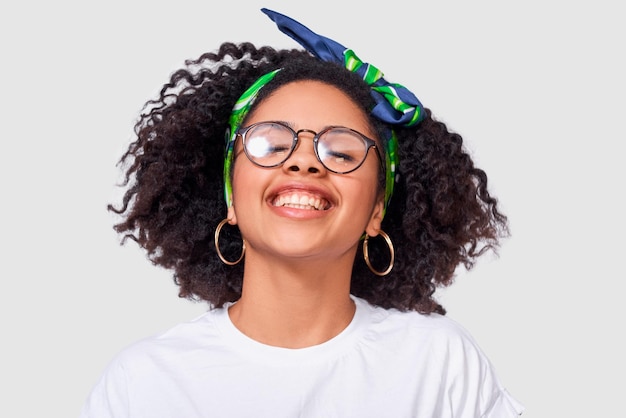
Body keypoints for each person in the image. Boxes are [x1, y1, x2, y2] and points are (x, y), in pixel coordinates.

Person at [80, 8, 524, 418]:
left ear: (376, 209)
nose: (303, 162)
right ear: (231, 197)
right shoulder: (143, 384)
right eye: (271, 144)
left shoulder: (441, 364)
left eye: (341, 150)